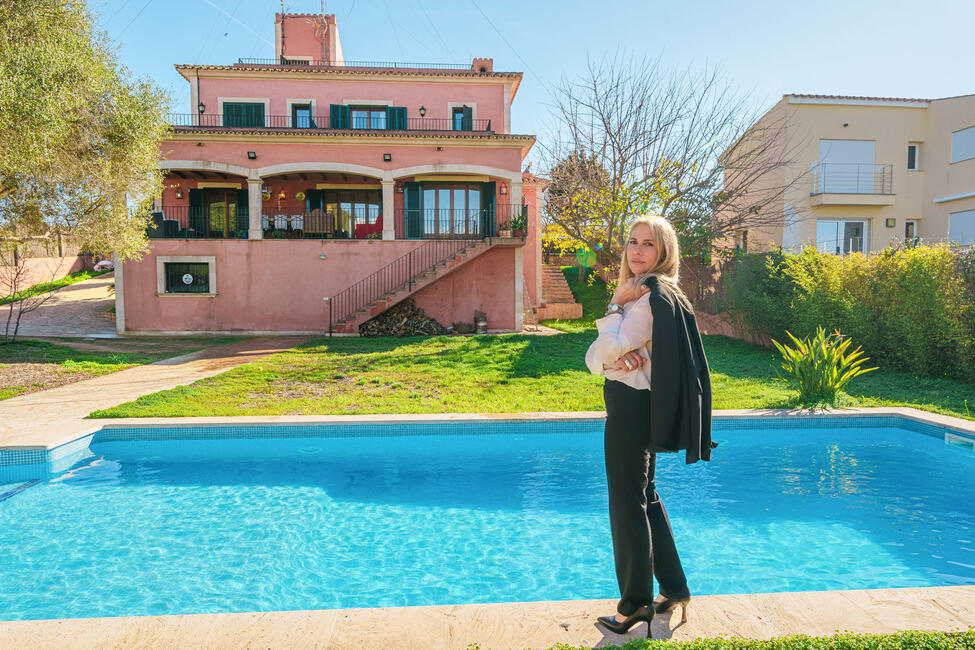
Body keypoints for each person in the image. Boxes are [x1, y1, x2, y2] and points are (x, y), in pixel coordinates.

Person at [585, 214, 713, 638]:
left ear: (664, 253)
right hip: (641, 404)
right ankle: (673, 589)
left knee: (626, 503)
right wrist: (609, 356)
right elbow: (595, 358)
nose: (637, 251)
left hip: (630, 407)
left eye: (648, 245)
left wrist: (614, 307)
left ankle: (634, 606)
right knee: (646, 497)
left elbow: (605, 349)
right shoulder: (663, 295)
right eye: (633, 242)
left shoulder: (640, 301)